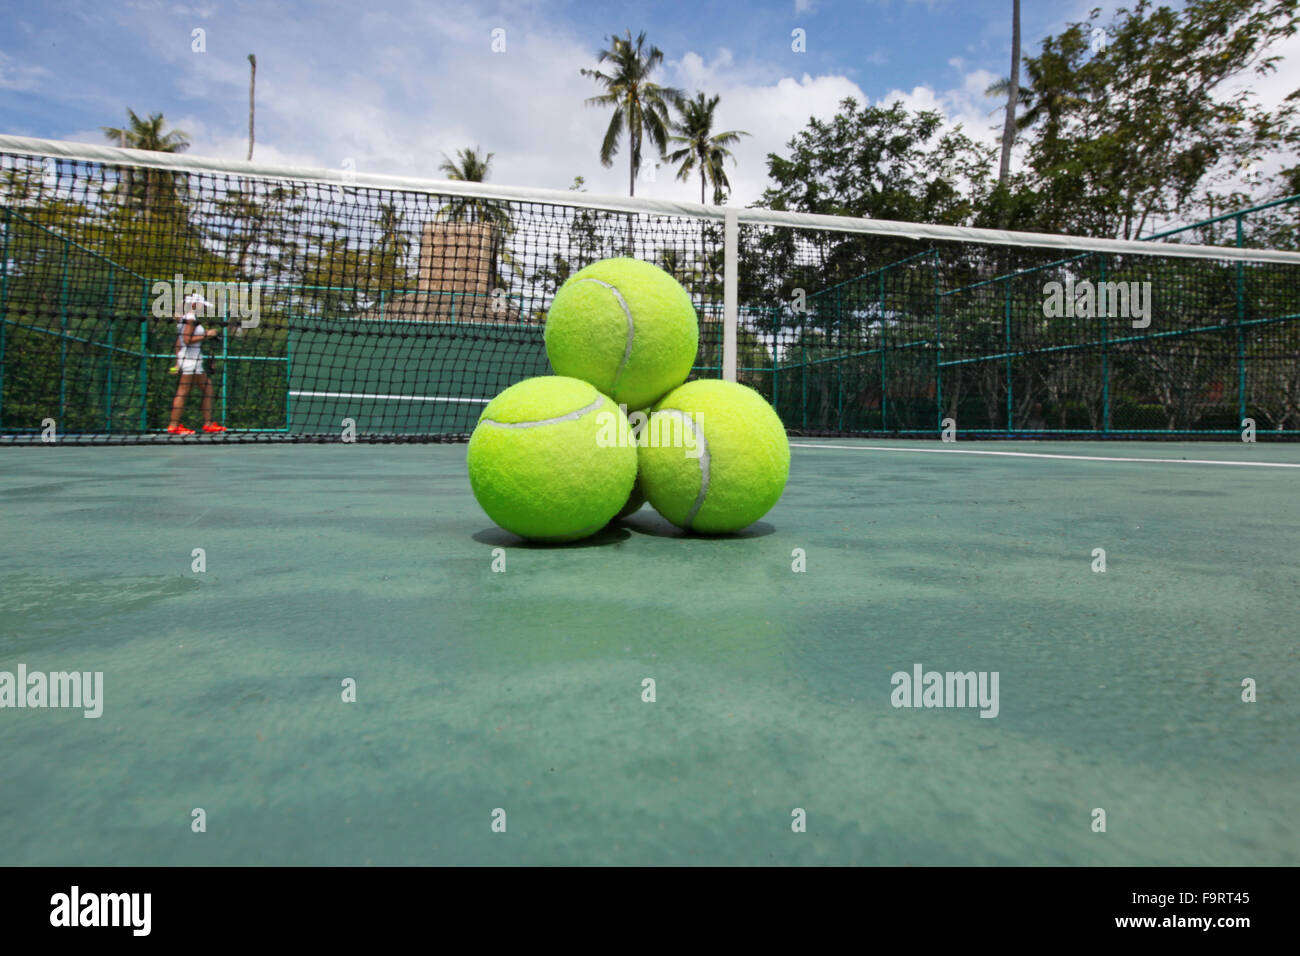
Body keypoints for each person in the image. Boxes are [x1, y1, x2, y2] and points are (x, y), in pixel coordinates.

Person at [166, 293, 228, 435]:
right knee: (183, 392)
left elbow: (179, 342)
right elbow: (187, 340)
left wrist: (177, 363)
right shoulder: (190, 318)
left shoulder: (185, 318)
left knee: (208, 390)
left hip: (193, 360)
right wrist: (207, 334)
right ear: (194, 305)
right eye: (201, 305)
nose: (203, 308)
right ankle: (174, 426)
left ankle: (208, 424)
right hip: (190, 361)